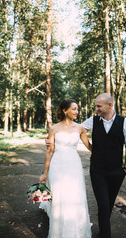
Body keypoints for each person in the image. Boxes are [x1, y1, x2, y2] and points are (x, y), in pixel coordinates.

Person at [46, 93, 126, 238]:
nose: (96, 109)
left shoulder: (124, 122)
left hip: (116, 171)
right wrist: (51, 140)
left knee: (109, 205)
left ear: (110, 105)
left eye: (99, 106)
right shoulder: (92, 121)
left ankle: (102, 232)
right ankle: (106, 235)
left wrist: (125, 168)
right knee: (103, 205)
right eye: (96, 106)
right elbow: (72, 129)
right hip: (97, 171)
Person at [39, 99, 92, 238]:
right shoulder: (54, 128)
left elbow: (90, 147)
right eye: (74, 109)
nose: (76, 111)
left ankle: (77, 230)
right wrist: (45, 173)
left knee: (75, 194)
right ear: (65, 110)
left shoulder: (79, 128)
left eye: (77, 109)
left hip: (74, 165)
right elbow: (49, 151)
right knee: (60, 197)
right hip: (57, 166)